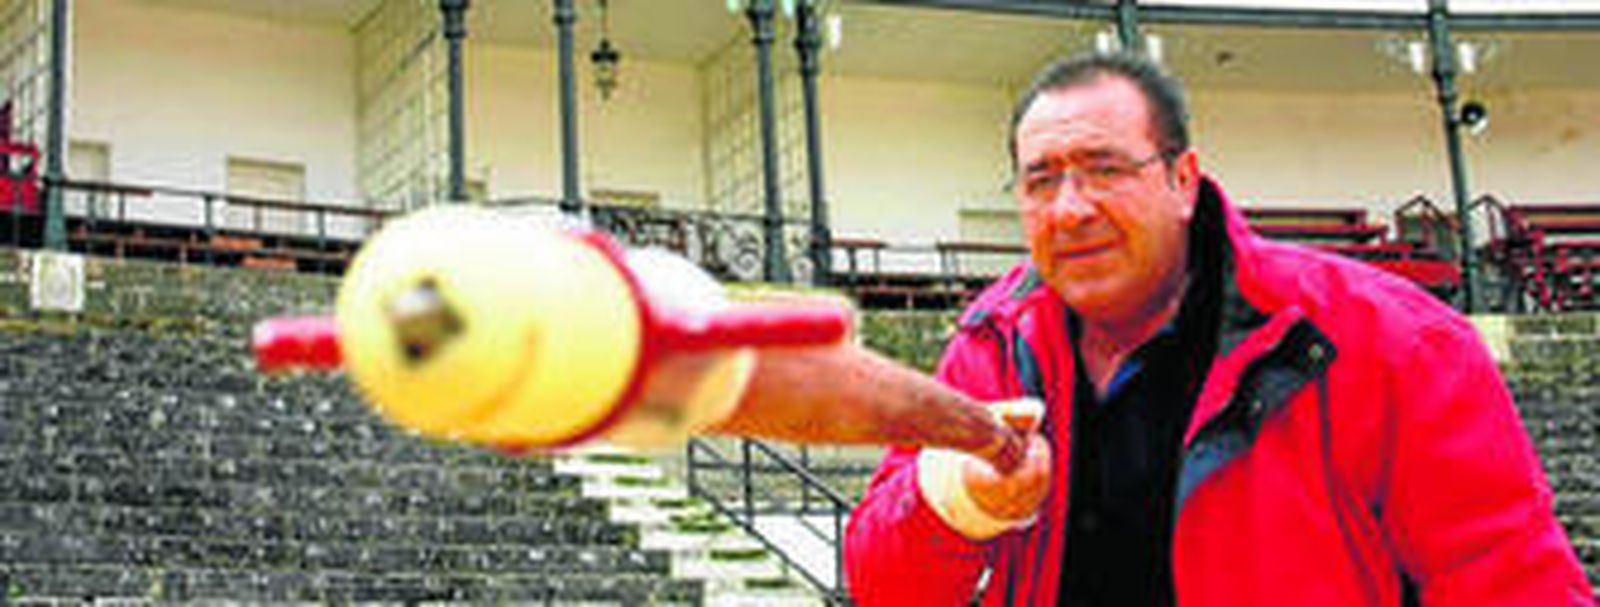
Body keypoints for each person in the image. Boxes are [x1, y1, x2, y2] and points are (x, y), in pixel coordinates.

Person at [843, 51, 1594, 606]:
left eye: (1103, 168)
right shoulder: (993, 340)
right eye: (1040, 180)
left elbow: (1511, 583)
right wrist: (954, 499)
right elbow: (884, 582)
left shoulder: (1392, 339)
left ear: (1182, 179)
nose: (1069, 207)